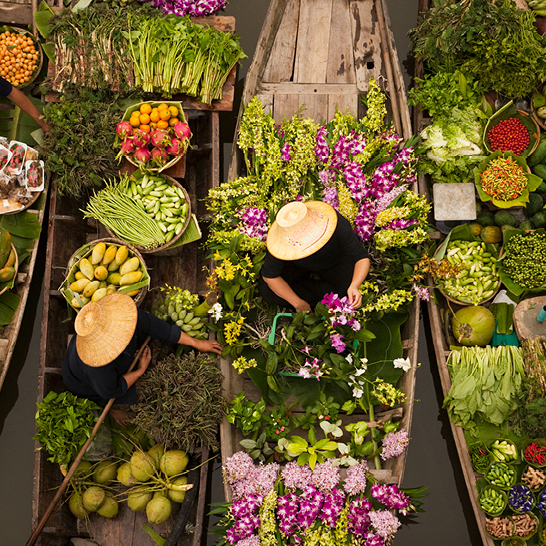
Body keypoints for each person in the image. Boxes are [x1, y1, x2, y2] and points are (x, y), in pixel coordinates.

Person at [62, 292, 222, 425]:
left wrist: (196, 343)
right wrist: (140, 370)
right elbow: (112, 390)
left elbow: (154, 326)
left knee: (162, 346)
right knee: (146, 395)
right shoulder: (96, 367)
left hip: (121, 364)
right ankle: (112, 409)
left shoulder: (122, 314)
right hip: (93, 387)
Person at [259, 200, 371, 312]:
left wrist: (354, 285)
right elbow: (270, 276)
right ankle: (316, 292)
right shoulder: (281, 240)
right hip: (298, 264)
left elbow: (361, 257)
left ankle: (326, 293)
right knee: (267, 290)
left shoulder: (335, 223)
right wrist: (297, 303)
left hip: (333, 260)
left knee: (346, 291)